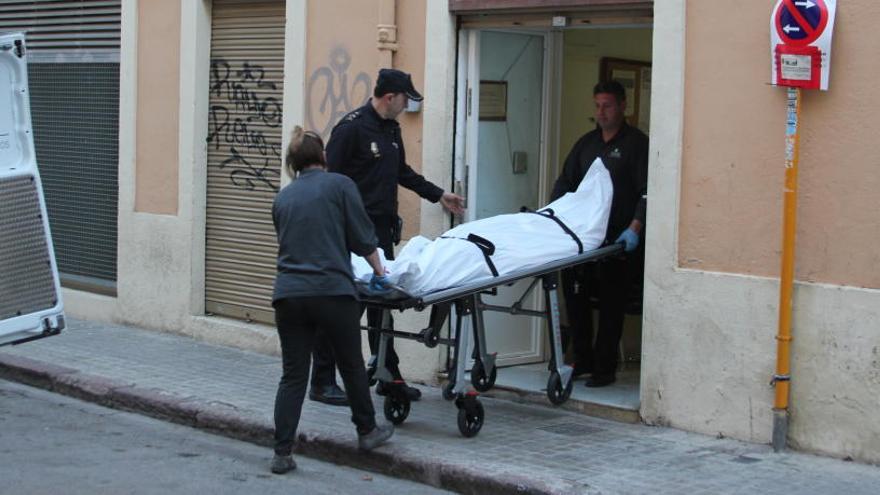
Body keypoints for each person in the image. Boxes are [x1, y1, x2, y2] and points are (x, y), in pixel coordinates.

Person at [309, 68, 465, 403]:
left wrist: (439, 195)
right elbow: (328, 182)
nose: (407, 104)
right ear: (389, 96)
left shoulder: (391, 129)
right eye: (405, 98)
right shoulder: (351, 128)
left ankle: (389, 377)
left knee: (383, 305)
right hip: (350, 234)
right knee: (344, 307)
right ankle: (321, 381)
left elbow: (402, 173)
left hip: (379, 232)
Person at [270, 127, 394, 474]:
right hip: (332, 292)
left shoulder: (282, 198)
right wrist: (380, 271)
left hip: (288, 295)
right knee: (351, 363)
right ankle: (367, 431)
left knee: (293, 376)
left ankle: (282, 452)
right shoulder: (340, 186)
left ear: (293, 163)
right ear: (322, 156)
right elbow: (361, 237)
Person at [552, 80, 648, 388]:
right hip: (583, 241)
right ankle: (582, 360)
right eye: (597, 105)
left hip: (618, 245)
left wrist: (634, 228)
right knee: (576, 301)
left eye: (607, 105)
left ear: (623, 106)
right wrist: (552, 221)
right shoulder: (587, 144)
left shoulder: (637, 144)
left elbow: (647, 192)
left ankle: (604, 369)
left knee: (610, 308)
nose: (601, 112)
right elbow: (566, 184)